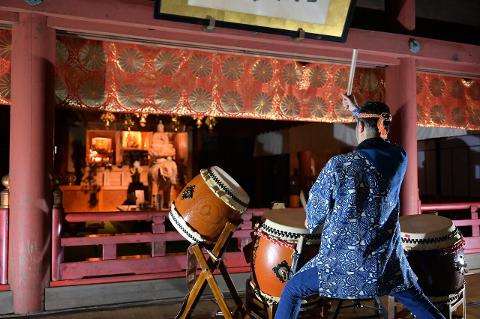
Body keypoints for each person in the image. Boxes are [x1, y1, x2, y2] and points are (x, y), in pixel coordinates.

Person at [274, 95, 445, 319]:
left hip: (340, 267)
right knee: (419, 301)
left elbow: (313, 217)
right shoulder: (398, 158)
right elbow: (377, 138)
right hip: (385, 266)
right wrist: (357, 111)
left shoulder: (339, 165)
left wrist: (311, 219)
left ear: (361, 126)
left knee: (292, 291)